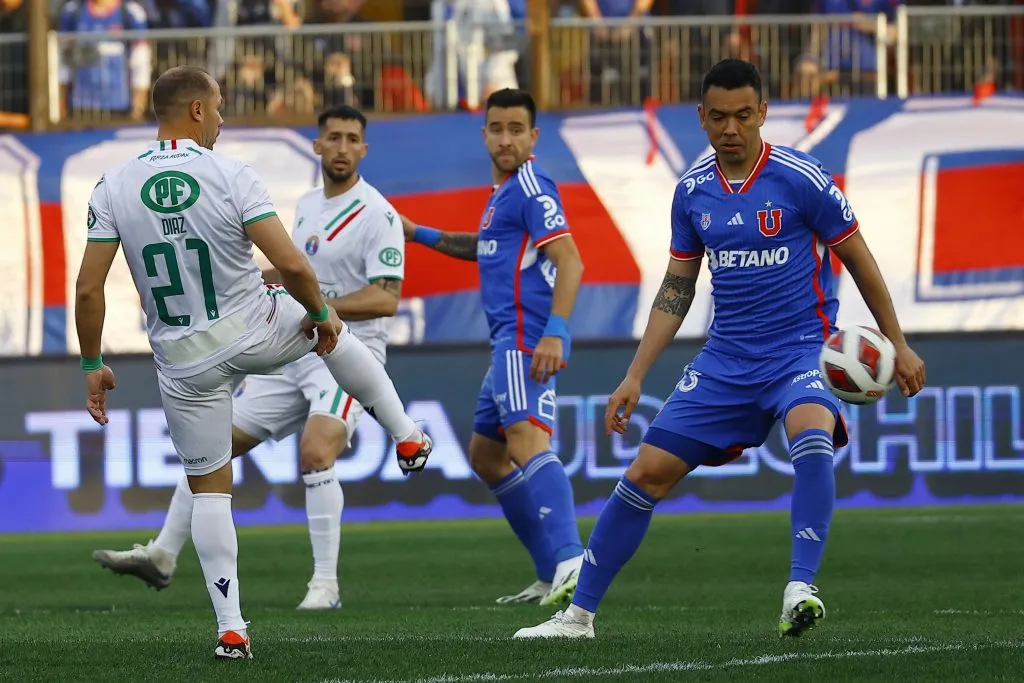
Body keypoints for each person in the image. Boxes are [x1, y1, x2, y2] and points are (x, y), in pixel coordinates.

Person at [512, 58, 926, 639]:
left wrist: (898, 344)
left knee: (810, 430)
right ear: (701, 119)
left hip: (801, 351)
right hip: (725, 360)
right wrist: (634, 376)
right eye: (718, 118)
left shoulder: (803, 179)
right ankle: (578, 615)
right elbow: (677, 289)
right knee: (644, 474)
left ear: (762, 114)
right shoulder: (692, 192)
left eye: (742, 116)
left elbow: (859, 260)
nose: (731, 129)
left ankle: (799, 588)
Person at [75, 66, 432, 660]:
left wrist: (92, 364)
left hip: (183, 366)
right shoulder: (231, 173)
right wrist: (321, 310)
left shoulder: (112, 185)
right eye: (217, 108)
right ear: (194, 111)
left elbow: (88, 290)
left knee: (211, 489)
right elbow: (291, 266)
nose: (222, 119)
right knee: (332, 331)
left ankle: (232, 629)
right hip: (254, 330)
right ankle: (408, 436)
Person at [401, 88, 586, 606]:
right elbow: (482, 248)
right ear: (484, 134)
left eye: (516, 129)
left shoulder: (530, 185)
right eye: (497, 129)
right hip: (506, 340)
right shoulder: (503, 194)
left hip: (525, 338)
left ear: (533, 137)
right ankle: (552, 571)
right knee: (487, 456)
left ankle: (572, 561)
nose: (506, 138)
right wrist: (420, 233)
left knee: (526, 444)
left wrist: (558, 331)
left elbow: (571, 260)